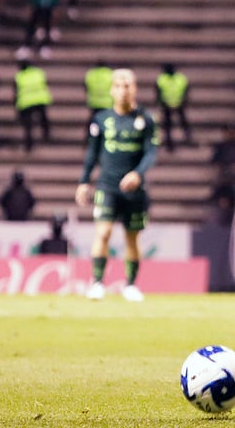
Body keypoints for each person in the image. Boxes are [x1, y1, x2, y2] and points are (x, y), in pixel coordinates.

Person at [76, 68, 159, 302]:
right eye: (119, 86)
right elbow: (91, 153)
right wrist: (84, 182)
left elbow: (151, 153)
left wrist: (138, 174)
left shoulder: (146, 119)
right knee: (103, 232)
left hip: (135, 191)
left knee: (132, 237)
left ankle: (130, 285)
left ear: (135, 89)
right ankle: (97, 282)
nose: (123, 91)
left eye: (128, 86)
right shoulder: (101, 119)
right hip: (107, 186)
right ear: (112, 90)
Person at [14, 59, 52, 152]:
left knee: (28, 126)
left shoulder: (19, 76)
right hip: (40, 98)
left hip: (26, 101)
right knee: (43, 119)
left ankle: (28, 144)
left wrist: (16, 107)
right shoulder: (39, 72)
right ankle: (47, 135)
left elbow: (15, 92)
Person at [155, 63, 192, 151]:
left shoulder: (180, 78)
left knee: (182, 122)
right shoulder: (162, 79)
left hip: (178, 103)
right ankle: (170, 143)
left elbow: (186, 90)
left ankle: (188, 137)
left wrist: (184, 101)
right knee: (168, 125)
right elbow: (158, 92)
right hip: (167, 104)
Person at [84, 59, 113, 125]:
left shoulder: (90, 74)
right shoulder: (110, 73)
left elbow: (86, 88)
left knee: (94, 121)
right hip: (108, 103)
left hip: (94, 103)